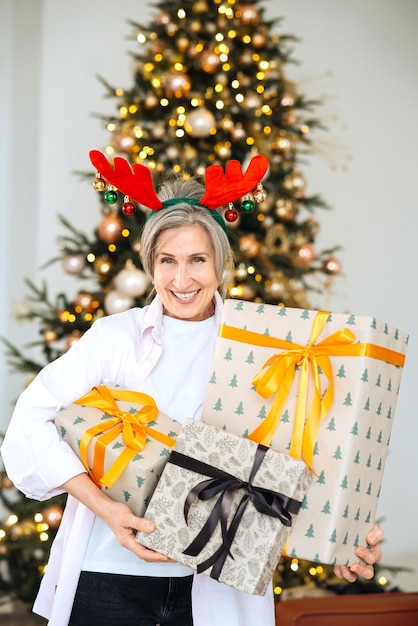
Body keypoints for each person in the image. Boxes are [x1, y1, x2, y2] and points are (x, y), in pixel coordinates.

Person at [1, 151, 384, 626]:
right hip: (107, 579)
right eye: (168, 261)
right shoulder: (113, 338)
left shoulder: (261, 346)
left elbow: (296, 458)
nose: (182, 280)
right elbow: (28, 423)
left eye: (198, 260)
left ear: (221, 265)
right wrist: (107, 511)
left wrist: (342, 537)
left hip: (217, 586)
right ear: (150, 264)